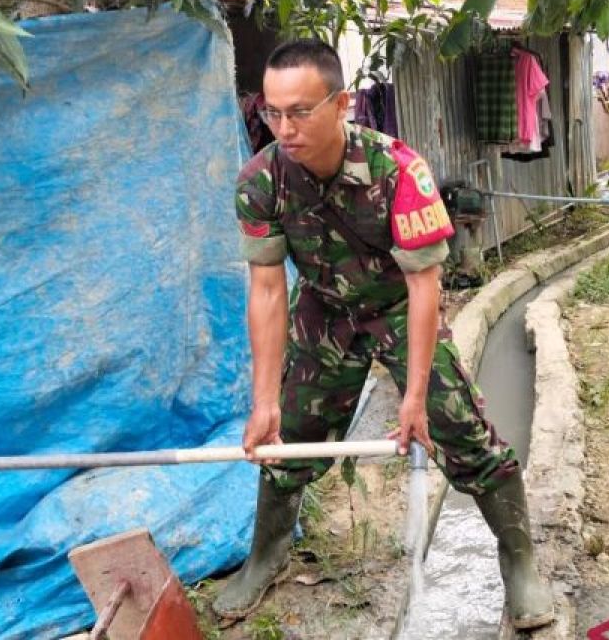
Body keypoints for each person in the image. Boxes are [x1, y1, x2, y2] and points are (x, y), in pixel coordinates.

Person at [213, 39, 555, 630]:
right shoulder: (260, 181)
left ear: (342, 103)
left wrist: (415, 397)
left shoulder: (399, 170)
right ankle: (266, 555)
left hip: (399, 305)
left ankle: (518, 560)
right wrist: (264, 399)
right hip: (324, 309)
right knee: (287, 437)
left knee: (460, 430)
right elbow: (267, 291)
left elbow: (425, 287)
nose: (284, 127)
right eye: (273, 112)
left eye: (300, 111)